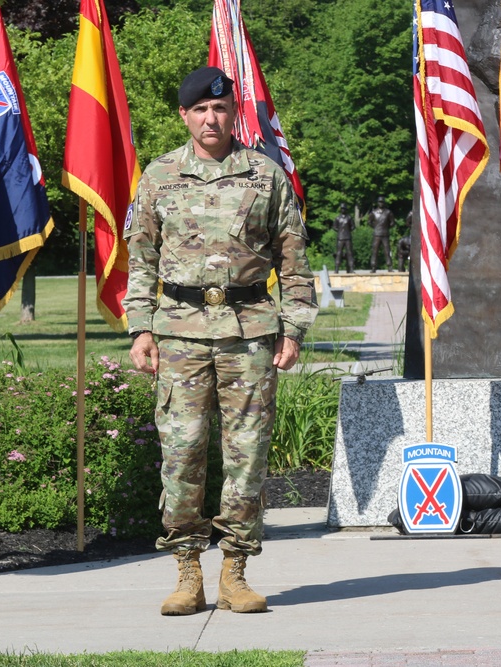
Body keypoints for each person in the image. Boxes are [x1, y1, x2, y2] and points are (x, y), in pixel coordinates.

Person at [123, 66, 318, 616]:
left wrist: (295, 328)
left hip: (250, 331)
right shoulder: (160, 176)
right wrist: (140, 327)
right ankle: (188, 571)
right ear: (184, 116)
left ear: (234, 113)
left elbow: (295, 260)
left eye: (221, 108)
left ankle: (235, 571)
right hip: (179, 332)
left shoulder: (265, 175)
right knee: (181, 454)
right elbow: (140, 261)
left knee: (248, 456)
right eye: (200, 110)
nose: (212, 118)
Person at [367, 196, 394, 272]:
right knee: (375, 251)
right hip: (377, 234)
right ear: (377, 203)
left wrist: (386, 227)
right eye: (379, 202)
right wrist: (375, 227)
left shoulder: (388, 212)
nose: (381, 203)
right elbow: (369, 222)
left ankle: (389, 266)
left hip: (385, 234)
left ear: (384, 203)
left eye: (382, 202)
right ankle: (373, 267)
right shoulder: (373, 212)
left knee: (387, 251)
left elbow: (392, 223)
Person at [333, 202, 356, 273]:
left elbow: (353, 226)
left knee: (349, 253)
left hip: (348, 237)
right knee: (339, 253)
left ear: (346, 209)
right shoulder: (337, 218)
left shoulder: (349, 217)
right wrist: (340, 231)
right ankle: (336, 268)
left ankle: (351, 268)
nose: (343, 210)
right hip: (340, 237)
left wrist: (347, 230)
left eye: (344, 209)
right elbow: (334, 227)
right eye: (342, 209)